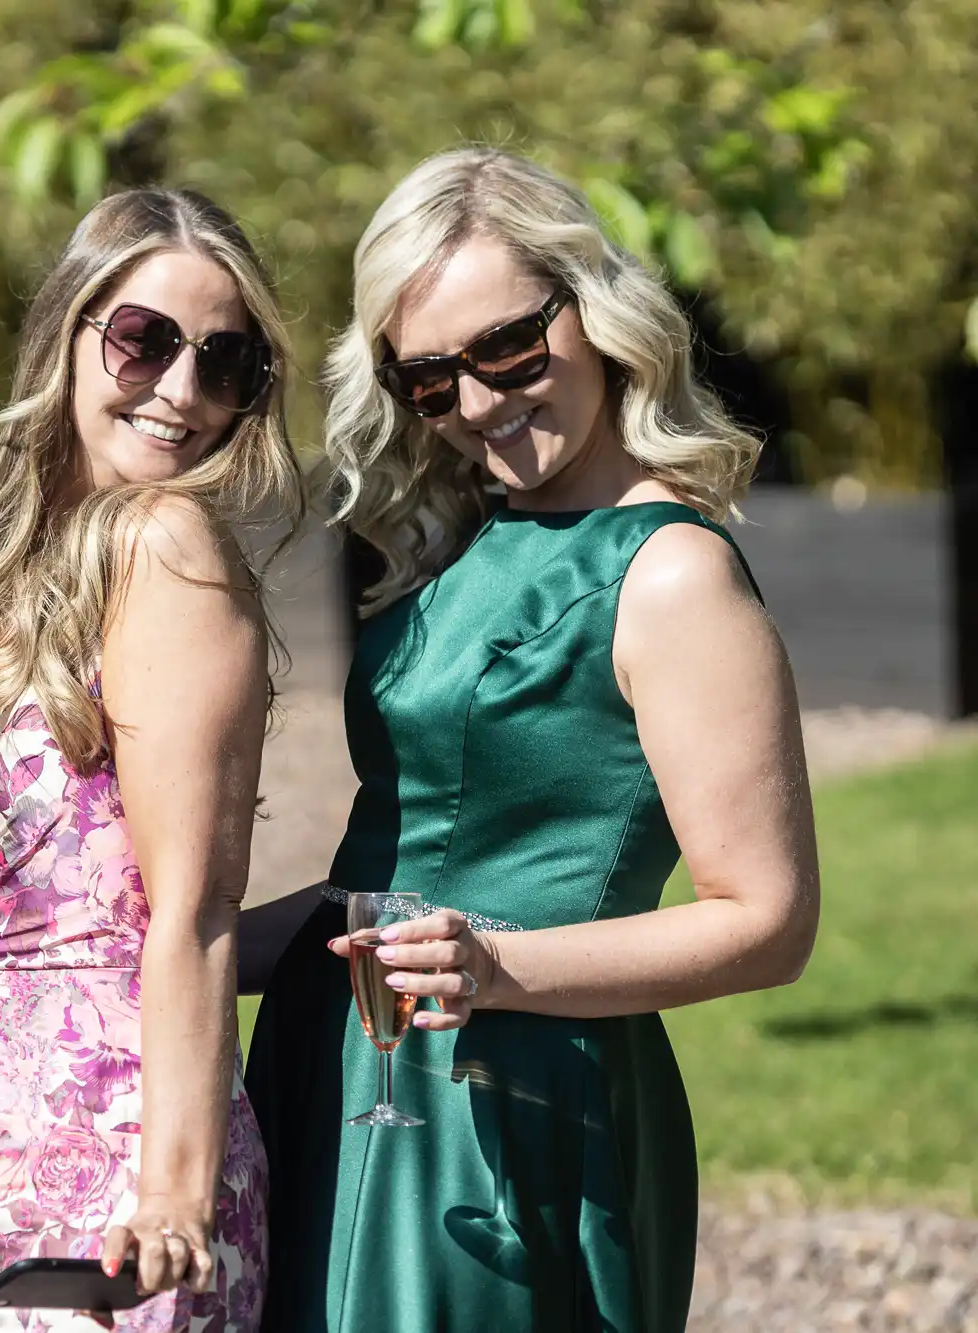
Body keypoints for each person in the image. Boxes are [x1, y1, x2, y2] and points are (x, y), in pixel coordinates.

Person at [241, 147, 821, 1333]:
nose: (479, 402)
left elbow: (766, 920)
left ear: (593, 308)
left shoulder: (667, 573)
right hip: (341, 1063)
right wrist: (166, 951)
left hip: (509, 1096)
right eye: (430, 380)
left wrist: (500, 972)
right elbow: (389, 876)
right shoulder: (456, 548)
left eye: (506, 349)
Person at [0, 187, 300, 1332]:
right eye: (144, 340)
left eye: (226, 363)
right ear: (66, 330)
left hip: (117, 1167)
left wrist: (171, 1196)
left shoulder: (164, 544)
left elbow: (191, 910)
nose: (180, 391)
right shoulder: (15, 569)